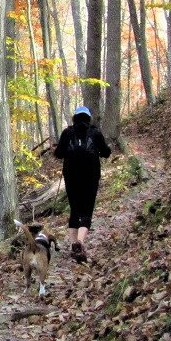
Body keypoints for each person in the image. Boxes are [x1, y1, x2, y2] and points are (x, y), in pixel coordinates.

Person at [53, 106, 111, 262]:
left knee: (75, 210)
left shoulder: (67, 133)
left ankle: (74, 244)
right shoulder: (95, 133)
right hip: (91, 177)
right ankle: (80, 242)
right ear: (88, 118)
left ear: (75, 118)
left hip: (71, 178)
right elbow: (106, 153)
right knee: (87, 211)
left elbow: (58, 154)